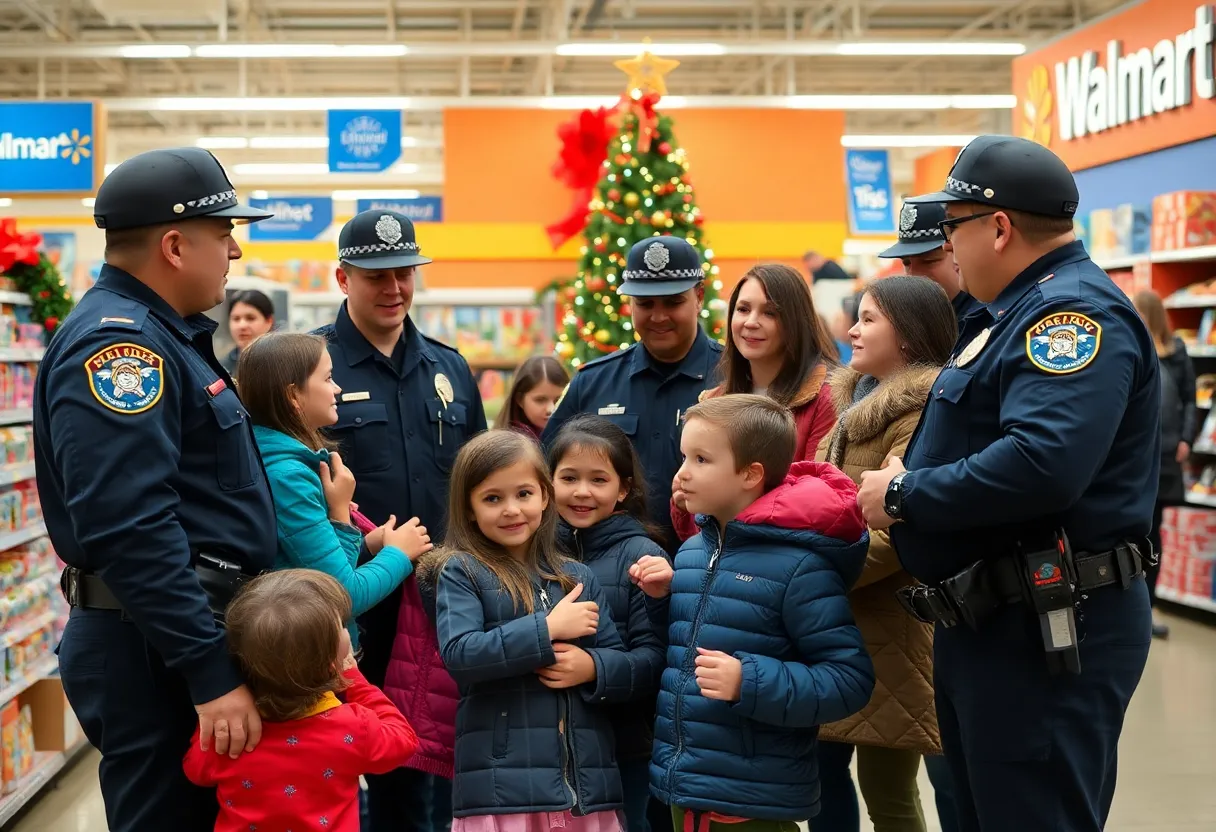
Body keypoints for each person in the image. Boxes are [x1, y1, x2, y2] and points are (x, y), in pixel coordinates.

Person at [857, 135, 1160, 832]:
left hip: (1045, 628)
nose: (947, 246)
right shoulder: (1008, 315)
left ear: (998, 228)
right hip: (992, 622)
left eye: (953, 228)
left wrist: (905, 495)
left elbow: (1043, 463)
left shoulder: (1070, 317)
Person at [33, 147, 278, 831]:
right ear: (174, 246)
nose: (233, 251)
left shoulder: (164, 335)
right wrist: (208, 670)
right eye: (223, 234)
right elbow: (129, 526)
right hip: (155, 648)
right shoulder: (122, 349)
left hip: (170, 634)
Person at [630, 395, 875, 831]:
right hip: (685, 788)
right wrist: (664, 598)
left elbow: (848, 680)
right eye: (684, 456)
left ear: (750, 474)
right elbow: (689, 648)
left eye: (701, 459)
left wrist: (749, 681)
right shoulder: (691, 553)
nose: (682, 473)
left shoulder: (800, 567)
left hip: (753, 802)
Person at [316, 209, 487, 832]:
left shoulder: (449, 368)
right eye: (376, 276)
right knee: (348, 762)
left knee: (441, 762)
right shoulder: (311, 368)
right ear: (343, 278)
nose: (394, 288)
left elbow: (479, 477)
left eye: (404, 273)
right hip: (353, 600)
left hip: (446, 602)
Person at [811, 276, 957, 832]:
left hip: (892, 631)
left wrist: (813, 576)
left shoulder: (921, 412)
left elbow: (900, 532)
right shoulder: (855, 402)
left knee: (888, 792)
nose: (852, 330)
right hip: (837, 623)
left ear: (910, 335)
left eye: (869, 319)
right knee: (825, 782)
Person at [432, 430, 627, 829]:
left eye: (523, 494)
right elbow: (461, 654)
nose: (511, 510)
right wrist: (547, 629)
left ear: (544, 496)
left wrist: (591, 668)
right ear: (469, 508)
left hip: (584, 789)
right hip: (501, 791)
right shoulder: (462, 571)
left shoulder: (577, 577)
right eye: (492, 498)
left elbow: (621, 663)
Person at [184, 569, 420, 832]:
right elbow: (404, 740)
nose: (346, 630)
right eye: (342, 625)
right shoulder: (352, 728)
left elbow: (196, 770)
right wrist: (356, 681)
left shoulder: (231, 730)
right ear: (329, 660)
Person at [238, 332, 434, 646]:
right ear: (293, 395)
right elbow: (342, 595)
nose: (338, 388)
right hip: (313, 650)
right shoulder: (288, 477)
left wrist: (367, 545)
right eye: (328, 378)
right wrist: (398, 552)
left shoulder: (281, 462)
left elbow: (310, 563)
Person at [543, 236, 722, 550]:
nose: (658, 316)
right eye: (645, 304)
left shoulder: (735, 378)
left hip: (709, 564)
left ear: (699, 297)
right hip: (607, 568)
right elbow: (542, 475)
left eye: (673, 302)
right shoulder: (592, 383)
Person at [548, 415, 669, 832]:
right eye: (569, 478)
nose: (582, 491)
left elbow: (655, 660)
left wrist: (593, 669)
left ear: (623, 489)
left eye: (598, 480)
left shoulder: (642, 557)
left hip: (622, 746)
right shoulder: (532, 551)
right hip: (546, 746)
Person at [671, 263, 839, 541]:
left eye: (769, 313)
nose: (750, 322)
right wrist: (683, 502)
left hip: (785, 554)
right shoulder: (713, 400)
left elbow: (818, 502)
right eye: (743, 309)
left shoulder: (826, 398)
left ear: (795, 321)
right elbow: (696, 529)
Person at [1133, 289, 1196, 639]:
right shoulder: (1134, 344)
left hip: (1168, 454)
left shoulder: (1177, 352)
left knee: (1154, 531)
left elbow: (1190, 399)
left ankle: (1150, 606)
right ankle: (1137, 607)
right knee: (1140, 530)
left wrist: (1187, 438)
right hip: (1140, 453)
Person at [880, 202, 985, 327]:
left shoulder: (986, 320)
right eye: (906, 263)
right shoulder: (913, 321)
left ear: (958, 252)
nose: (914, 275)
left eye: (928, 261)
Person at [494, 355, 570, 440]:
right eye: (540, 400)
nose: (551, 409)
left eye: (559, 400)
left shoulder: (575, 438)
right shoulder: (505, 444)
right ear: (520, 400)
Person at [222, 289, 275, 373]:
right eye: (236, 319)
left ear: (269, 321)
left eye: (250, 318)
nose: (242, 326)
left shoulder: (285, 365)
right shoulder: (219, 369)